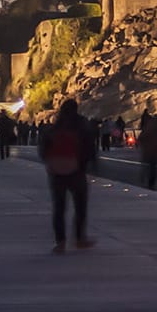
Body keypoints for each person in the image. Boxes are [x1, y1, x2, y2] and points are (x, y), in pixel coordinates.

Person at [38, 102, 97, 254]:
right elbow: (90, 145)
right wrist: (87, 163)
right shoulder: (81, 124)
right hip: (76, 170)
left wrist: (50, 163)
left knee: (59, 207)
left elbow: (43, 148)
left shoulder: (55, 126)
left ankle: (60, 242)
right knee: (80, 206)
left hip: (56, 171)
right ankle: (79, 239)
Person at [136, 109, 157, 189]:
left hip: (150, 150)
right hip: (152, 151)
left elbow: (142, 137)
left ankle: (147, 181)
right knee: (151, 167)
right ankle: (149, 182)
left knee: (149, 166)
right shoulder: (154, 128)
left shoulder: (152, 127)